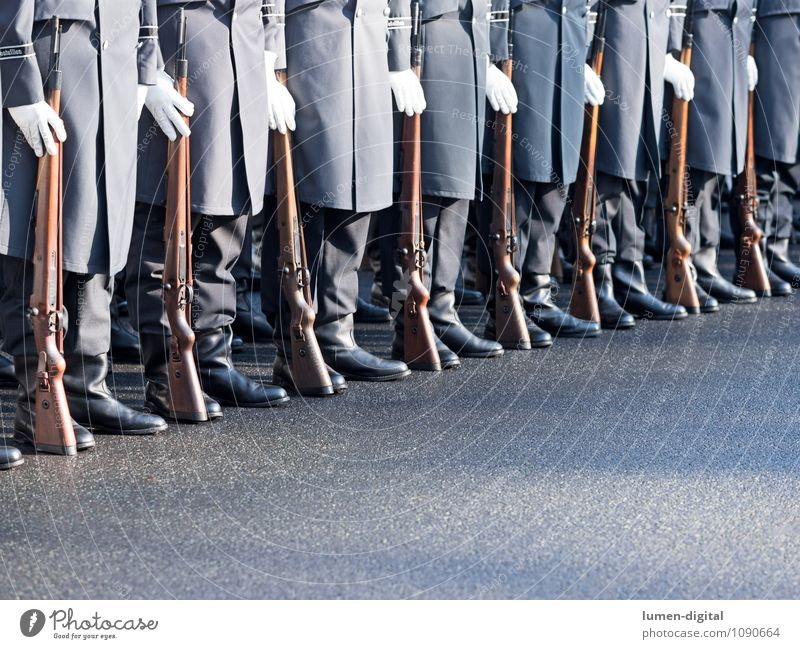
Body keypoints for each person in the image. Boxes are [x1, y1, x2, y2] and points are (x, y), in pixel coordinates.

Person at [0, 0, 169, 454]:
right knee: (38, 233)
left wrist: (144, 61)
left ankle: (86, 388)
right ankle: (36, 401)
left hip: (113, 53)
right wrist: (17, 79)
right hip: (50, 51)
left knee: (100, 226)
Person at [128, 0, 290, 420]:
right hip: (179, 42)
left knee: (227, 220)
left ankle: (213, 361)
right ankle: (168, 376)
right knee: (162, 224)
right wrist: (145, 65)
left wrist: (271, 50)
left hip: (246, 47)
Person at [261, 0, 416, 383]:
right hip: (310, 36)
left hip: (369, 39)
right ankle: (294, 338)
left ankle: (337, 332)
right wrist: (270, 54)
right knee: (309, 189)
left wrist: (398, 55)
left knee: (361, 185)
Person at [486, 0, 605, 335]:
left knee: (559, 167)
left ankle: (539, 292)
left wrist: (583, 49)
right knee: (523, 171)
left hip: (568, 34)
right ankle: (506, 297)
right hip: (524, 34)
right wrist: (490, 55)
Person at [591, 0, 689, 322]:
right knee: (610, 160)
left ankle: (630, 275)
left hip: (653, 32)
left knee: (641, 158)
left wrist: (671, 47)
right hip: (614, 31)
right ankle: (600, 278)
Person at [676, 0, 759, 303]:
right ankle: (691, 262)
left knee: (718, 155)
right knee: (701, 152)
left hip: (732, 25)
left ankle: (706, 262)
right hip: (699, 25)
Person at [752, 0, 800, 287]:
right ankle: (763, 246)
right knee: (776, 138)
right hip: (779, 13)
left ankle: (779, 245)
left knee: (793, 145)